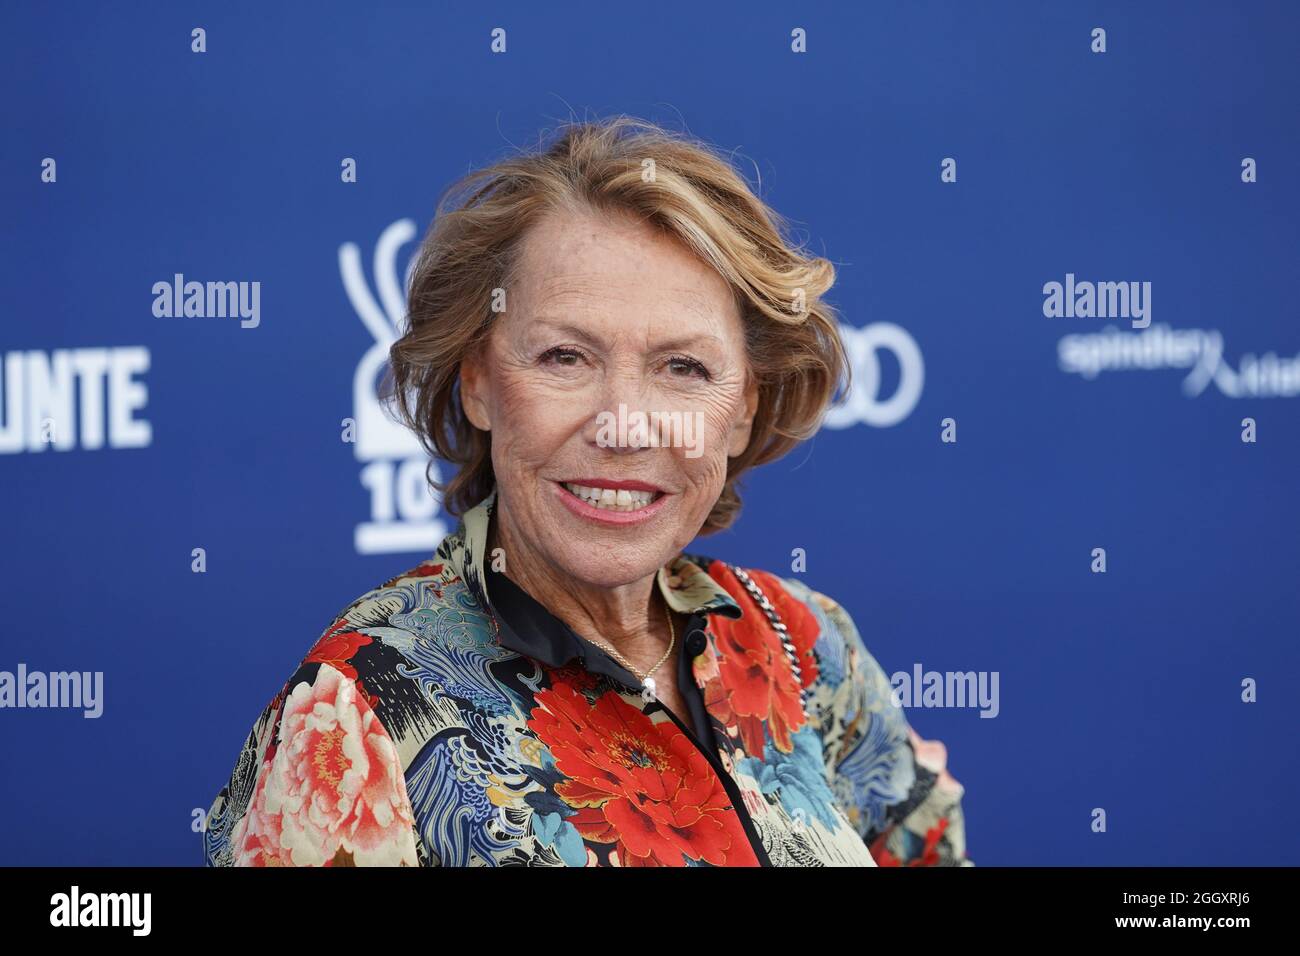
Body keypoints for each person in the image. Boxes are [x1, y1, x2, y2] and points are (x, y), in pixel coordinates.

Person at [203, 116, 971, 867]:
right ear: (478, 382)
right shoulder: (356, 714)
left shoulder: (804, 644)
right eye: (566, 356)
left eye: (683, 368)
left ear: (743, 411)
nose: (623, 425)